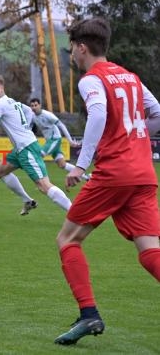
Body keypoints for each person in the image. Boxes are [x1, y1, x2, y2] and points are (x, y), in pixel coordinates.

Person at [53, 17, 160, 345]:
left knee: (67, 239)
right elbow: (156, 112)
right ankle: (88, 316)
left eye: (72, 49)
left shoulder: (91, 79)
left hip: (115, 174)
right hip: (143, 174)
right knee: (150, 249)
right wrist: (134, 138)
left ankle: (89, 315)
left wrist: (80, 164)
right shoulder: (129, 76)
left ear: (82, 47)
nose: (72, 55)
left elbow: (98, 113)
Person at [0, 74, 72, 215]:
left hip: (27, 149)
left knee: (44, 186)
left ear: (1, 87)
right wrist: (26, 126)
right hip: (19, 149)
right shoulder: (11, 101)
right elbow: (28, 111)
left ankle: (74, 212)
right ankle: (27, 200)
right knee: (0, 172)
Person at [28, 98, 89, 180]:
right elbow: (31, 128)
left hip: (55, 139)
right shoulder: (33, 117)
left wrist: (70, 140)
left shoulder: (47, 115)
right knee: (62, 164)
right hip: (50, 140)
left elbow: (61, 125)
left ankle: (43, 180)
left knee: (39, 155)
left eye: (36, 105)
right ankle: (86, 177)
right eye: (32, 106)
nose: (34, 107)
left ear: (40, 105)